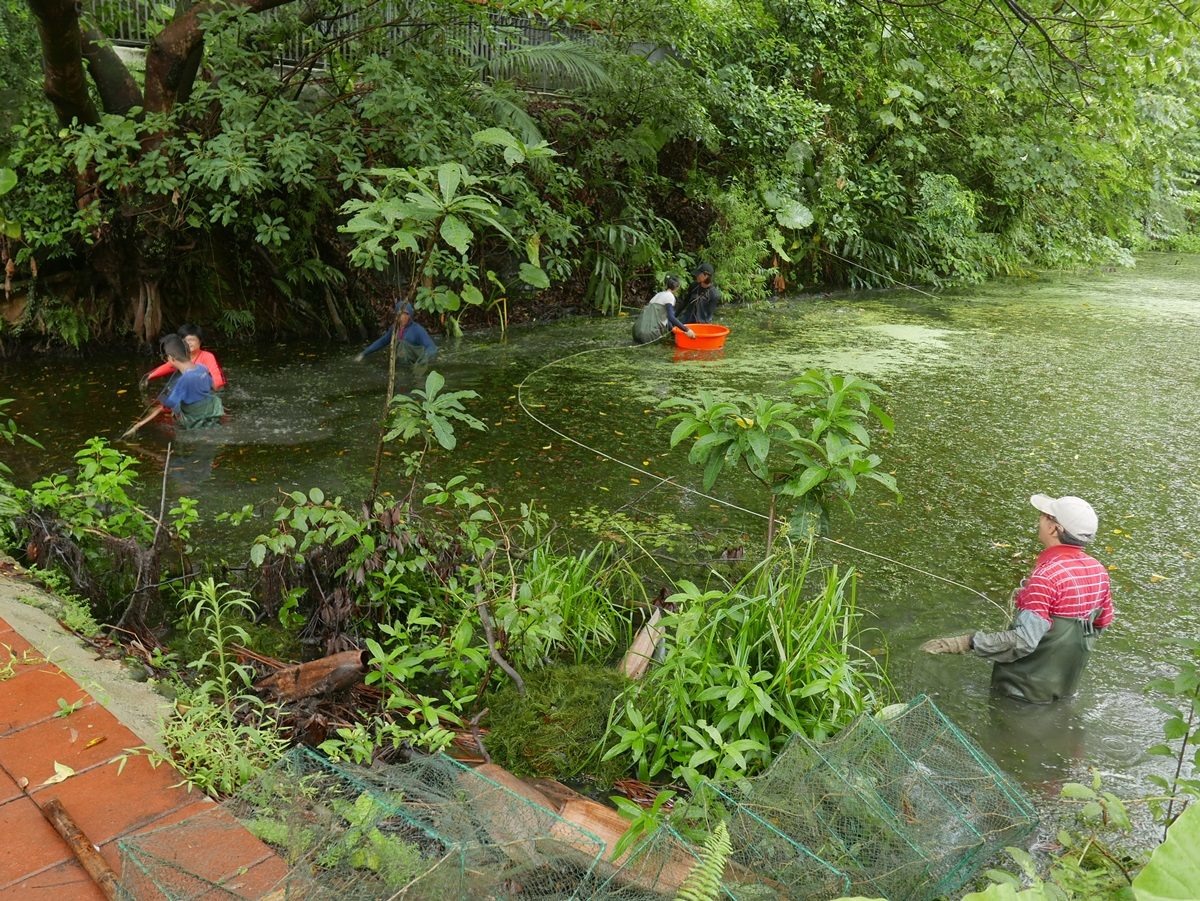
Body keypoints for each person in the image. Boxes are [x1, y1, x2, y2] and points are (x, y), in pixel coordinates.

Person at [921, 493, 1114, 704]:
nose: (1039, 519)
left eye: (1044, 515)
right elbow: (1101, 623)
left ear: (1053, 528)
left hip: (1021, 694)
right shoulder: (1099, 571)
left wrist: (967, 642)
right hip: (1065, 689)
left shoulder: (1047, 577)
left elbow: (1024, 641)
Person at [124, 335, 224, 437]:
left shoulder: (183, 380)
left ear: (171, 358)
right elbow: (213, 386)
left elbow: (168, 405)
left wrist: (137, 425)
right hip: (212, 412)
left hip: (195, 421)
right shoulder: (202, 368)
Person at [140, 324, 226, 392]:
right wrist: (149, 377)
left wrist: (214, 389)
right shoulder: (180, 356)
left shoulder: (207, 356)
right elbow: (168, 366)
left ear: (200, 341)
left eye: (192, 340)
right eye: (185, 341)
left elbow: (217, 378)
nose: (189, 343)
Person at [355, 299, 438, 365]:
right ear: (396, 315)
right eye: (401, 313)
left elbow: (432, 347)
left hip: (413, 365)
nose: (403, 317)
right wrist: (364, 353)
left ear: (410, 315)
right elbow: (382, 342)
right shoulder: (394, 329)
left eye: (406, 314)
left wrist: (422, 361)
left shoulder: (417, 330)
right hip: (399, 366)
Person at [633, 275, 694, 344]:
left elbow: (667, 319)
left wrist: (673, 333)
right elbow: (671, 317)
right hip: (649, 334)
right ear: (677, 287)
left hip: (636, 331)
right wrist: (687, 330)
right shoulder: (670, 297)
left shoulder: (658, 295)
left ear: (666, 285)